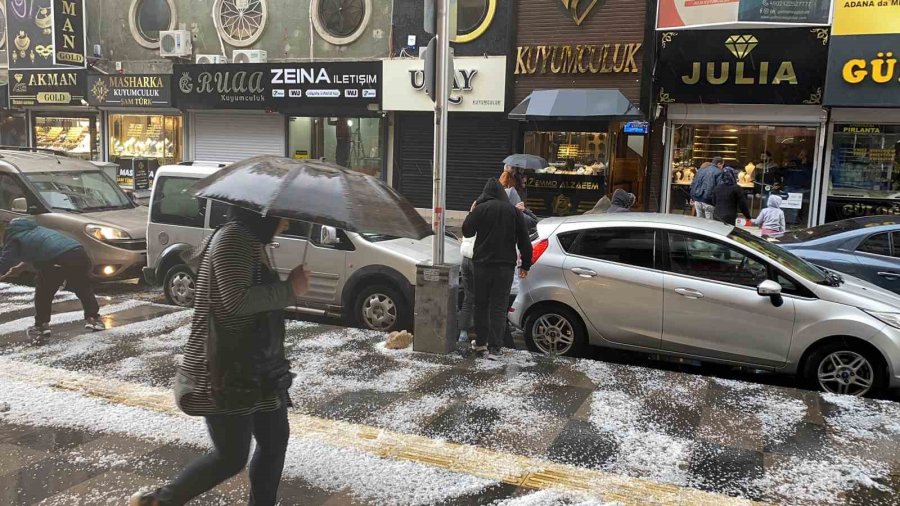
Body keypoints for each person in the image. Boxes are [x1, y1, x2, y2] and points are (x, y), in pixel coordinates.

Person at [131, 206, 310, 506]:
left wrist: (284, 290)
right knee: (231, 456)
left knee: (275, 440)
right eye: (284, 215)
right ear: (263, 215)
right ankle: (159, 501)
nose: (289, 221)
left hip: (257, 367)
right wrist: (289, 290)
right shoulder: (233, 240)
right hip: (227, 369)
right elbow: (235, 301)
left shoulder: (252, 241)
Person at [0, 218, 104, 343]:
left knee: (44, 291)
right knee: (83, 287)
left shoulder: (15, 237)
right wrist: (19, 268)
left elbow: (4, 263)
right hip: (79, 254)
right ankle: (93, 319)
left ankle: (41, 325)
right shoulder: (38, 231)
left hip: (56, 260)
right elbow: (43, 250)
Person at [462, 179, 532, 360]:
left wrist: (472, 211)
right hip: (505, 267)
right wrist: (525, 265)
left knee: (481, 304)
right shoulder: (513, 211)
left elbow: (467, 231)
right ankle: (495, 348)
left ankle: (480, 343)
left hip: (482, 265)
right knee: (499, 307)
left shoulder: (481, 208)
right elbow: (525, 240)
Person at [457, 233, 475, 343]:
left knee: (468, 298)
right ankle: (482, 337)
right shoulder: (486, 217)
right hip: (477, 260)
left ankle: (462, 334)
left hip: (465, 259)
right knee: (482, 300)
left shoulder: (471, 219)